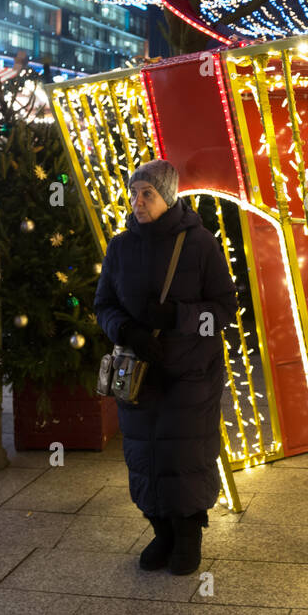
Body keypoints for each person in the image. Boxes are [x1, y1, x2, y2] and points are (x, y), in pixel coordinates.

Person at [94, 159, 237, 576]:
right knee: (144, 453)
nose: (138, 202)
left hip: (190, 374)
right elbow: (103, 304)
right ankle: (161, 530)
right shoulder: (120, 247)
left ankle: (188, 532)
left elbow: (223, 311)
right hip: (138, 374)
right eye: (134, 193)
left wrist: (178, 317)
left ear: (167, 196)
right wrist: (126, 330)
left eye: (147, 194)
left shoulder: (199, 244)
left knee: (184, 452)